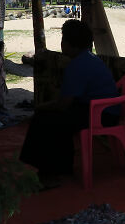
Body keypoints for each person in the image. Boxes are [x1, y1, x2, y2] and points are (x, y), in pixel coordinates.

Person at [20, 19, 119, 185]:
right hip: (101, 109)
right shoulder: (87, 59)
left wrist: (41, 107)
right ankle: (59, 167)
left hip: (102, 114)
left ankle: (51, 173)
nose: (62, 44)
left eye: (63, 40)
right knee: (52, 117)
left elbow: (64, 104)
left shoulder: (78, 65)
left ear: (70, 43)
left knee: (47, 119)